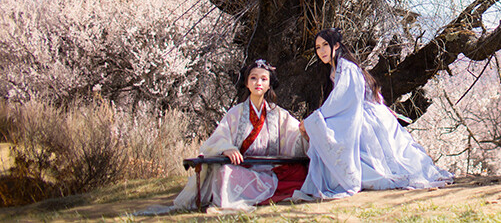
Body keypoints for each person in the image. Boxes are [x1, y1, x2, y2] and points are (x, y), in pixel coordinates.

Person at [293, 28, 453, 200]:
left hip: (368, 117)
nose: (322, 51)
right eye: (318, 47)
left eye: (325, 45)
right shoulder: (334, 70)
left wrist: (314, 119)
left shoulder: (347, 68)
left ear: (337, 45)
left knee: (386, 160)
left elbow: (341, 100)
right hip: (360, 113)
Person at [172, 59, 308, 211]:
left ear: (269, 84)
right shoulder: (235, 113)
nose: (258, 82)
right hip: (242, 170)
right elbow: (218, 137)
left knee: (301, 172)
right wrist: (226, 148)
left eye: (264, 79)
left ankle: (259, 192)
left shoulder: (278, 114)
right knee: (224, 173)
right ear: (247, 83)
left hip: (269, 170)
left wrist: (303, 133)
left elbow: (294, 136)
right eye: (253, 78)